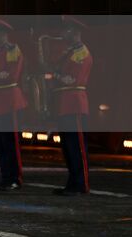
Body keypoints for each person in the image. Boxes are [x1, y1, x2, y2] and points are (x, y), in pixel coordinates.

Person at [0, 18, 26, 190]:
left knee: (10, 142)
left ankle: (15, 178)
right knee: (0, 142)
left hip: (9, 100)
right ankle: (6, 176)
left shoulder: (12, 50)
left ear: (2, 34)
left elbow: (8, 75)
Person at [51, 16, 92, 195]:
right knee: (68, 146)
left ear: (74, 32)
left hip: (74, 102)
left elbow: (71, 79)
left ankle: (81, 184)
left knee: (76, 146)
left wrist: (55, 76)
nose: (61, 34)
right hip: (65, 102)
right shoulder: (69, 52)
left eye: (65, 30)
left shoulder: (81, 53)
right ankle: (72, 182)